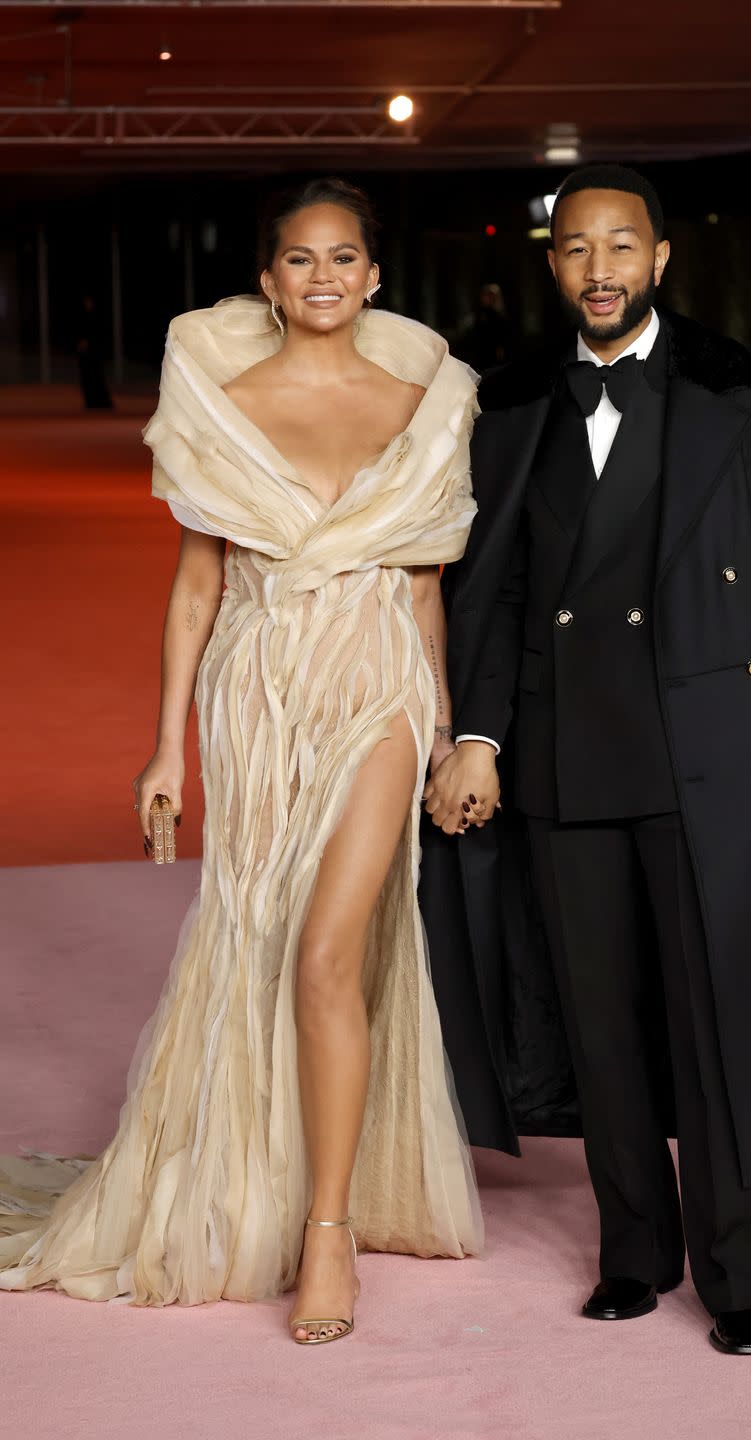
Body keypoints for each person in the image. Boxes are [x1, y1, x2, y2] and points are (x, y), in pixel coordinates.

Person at [424, 163, 751, 1354]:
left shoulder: (748, 383)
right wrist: (477, 734)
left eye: (621, 247)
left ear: (660, 258)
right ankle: (633, 1255)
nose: (600, 269)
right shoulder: (510, 401)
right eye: (577, 250)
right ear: (554, 266)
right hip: (564, 755)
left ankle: (742, 1277)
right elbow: (492, 595)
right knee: (602, 1024)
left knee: (716, 1018)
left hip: (713, 753)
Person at [0, 178, 482, 1343]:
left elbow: (424, 588)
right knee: (259, 935)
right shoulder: (221, 399)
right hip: (258, 696)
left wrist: (451, 735)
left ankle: (327, 1236)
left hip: (376, 688)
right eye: (301, 261)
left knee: (327, 950)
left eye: (345, 258)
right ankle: (277, 1177)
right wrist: (167, 748)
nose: (324, 277)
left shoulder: (426, 398)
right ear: (267, 282)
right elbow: (198, 586)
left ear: (376, 276)